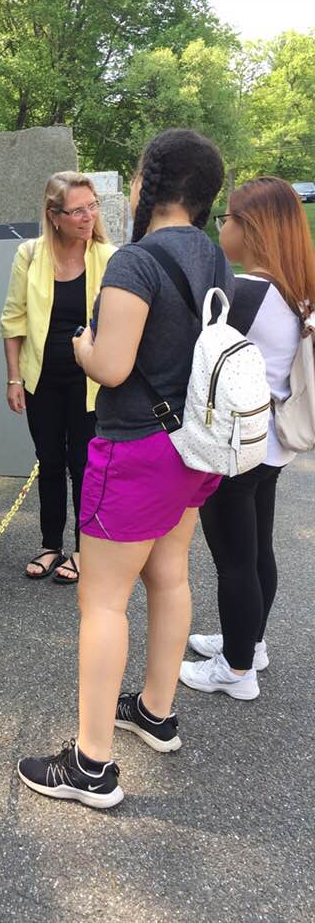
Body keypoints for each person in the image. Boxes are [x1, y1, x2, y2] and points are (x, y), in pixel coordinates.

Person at [17, 129, 233, 808]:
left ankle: (91, 766)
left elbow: (111, 364)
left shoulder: (137, 261)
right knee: (170, 578)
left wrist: (82, 346)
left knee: (102, 600)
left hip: (136, 448)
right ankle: (156, 713)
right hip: (193, 448)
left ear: (150, 183)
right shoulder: (213, 258)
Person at [180, 177, 315, 699]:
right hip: (273, 443)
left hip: (237, 448)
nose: (223, 229)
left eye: (229, 219)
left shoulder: (249, 291)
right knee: (257, 549)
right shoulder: (294, 290)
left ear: (252, 229)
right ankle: (248, 642)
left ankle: (236, 671)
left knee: (234, 559)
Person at [0, 172, 116, 584]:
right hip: (41, 379)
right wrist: (14, 379)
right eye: (77, 210)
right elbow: (13, 319)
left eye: (92, 206)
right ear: (54, 216)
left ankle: (86, 550)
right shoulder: (29, 255)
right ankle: (51, 544)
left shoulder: (109, 256)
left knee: (84, 464)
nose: (88, 217)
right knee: (49, 461)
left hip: (90, 383)